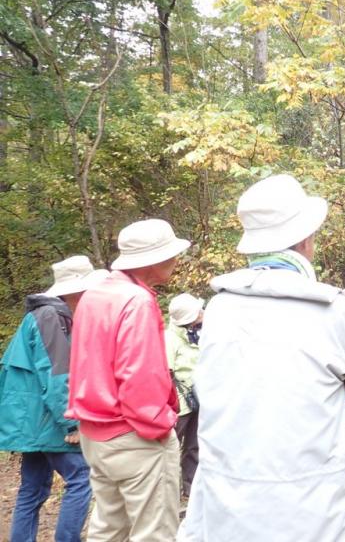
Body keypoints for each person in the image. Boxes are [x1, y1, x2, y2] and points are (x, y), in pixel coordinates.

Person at [178, 174, 345, 542]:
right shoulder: (331, 310)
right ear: (305, 239)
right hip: (317, 509)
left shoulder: (219, 309)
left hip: (230, 505)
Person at [66, 219, 190, 542]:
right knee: (154, 534)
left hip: (95, 434)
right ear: (153, 260)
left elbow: (82, 363)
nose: (177, 261)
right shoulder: (136, 301)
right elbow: (140, 378)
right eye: (171, 254)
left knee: (108, 530)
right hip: (135, 436)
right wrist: (161, 424)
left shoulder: (94, 295)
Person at [0, 256, 107, 542]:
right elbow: (57, 374)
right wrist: (71, 423)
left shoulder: (41, 315)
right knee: (81, 478)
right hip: (45, 418)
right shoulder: (51, 316)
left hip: (30, 418)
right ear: (76, 290)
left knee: (32, 489)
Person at [165, 292, 204, 498]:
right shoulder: (170, 339)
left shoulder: (198, 334)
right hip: (179, 404)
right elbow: (166, 373)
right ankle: (167, 490)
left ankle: (191, 488)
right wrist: (173, 404)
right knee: (171, 446)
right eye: (198, 313)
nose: (202, 315)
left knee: (194, 445)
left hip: (199, 398)